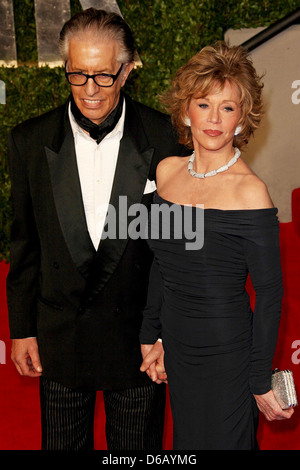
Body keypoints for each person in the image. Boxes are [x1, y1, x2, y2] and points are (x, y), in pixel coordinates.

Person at [6, 8, 187, 450]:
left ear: (124, 72)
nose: (89, 90)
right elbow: (25, 242)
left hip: (140, 340)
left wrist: (163, 332)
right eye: (77, 74)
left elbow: (178, 248)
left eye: (103, 76)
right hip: (61, 335)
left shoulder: (166, 138)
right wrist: (22, 328)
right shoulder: (30, 140)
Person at [139, 41, 294, 450]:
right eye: (204, 103)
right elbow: (162, 263)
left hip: (228, 356)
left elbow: (270, 295)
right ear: (185, 109)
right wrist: (152, 335)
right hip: (178, 346)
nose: (214, 119)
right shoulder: (168, 172)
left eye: (228, 107)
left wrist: (260, 377)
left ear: (242, 119)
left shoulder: (251, 192)